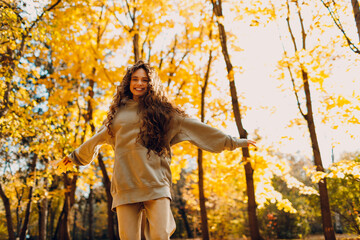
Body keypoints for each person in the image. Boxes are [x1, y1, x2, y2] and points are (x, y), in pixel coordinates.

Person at [57, 60, 256, 239]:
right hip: (125, 185)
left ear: (151, 84)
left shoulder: (164, 113)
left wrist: (234, 142)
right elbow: (97, 138)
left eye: (144, 80)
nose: (139, 83)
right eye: (135, 79)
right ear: (128, 83)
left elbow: (196, 127)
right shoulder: (117, 114)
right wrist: (74, 157)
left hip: (155, 183)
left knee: (160, 236)